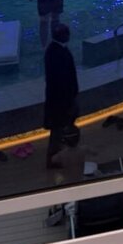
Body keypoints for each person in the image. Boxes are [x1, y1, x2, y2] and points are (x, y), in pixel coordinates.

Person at [43, 24, 79, 168]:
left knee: (59, 129)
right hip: (61, 100)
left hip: (62, 98)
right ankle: (52, 160)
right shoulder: (57, 53)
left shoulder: (54, 50)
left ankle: (58, 156)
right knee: (57, 130)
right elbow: (60, 80)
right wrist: (69, 99)